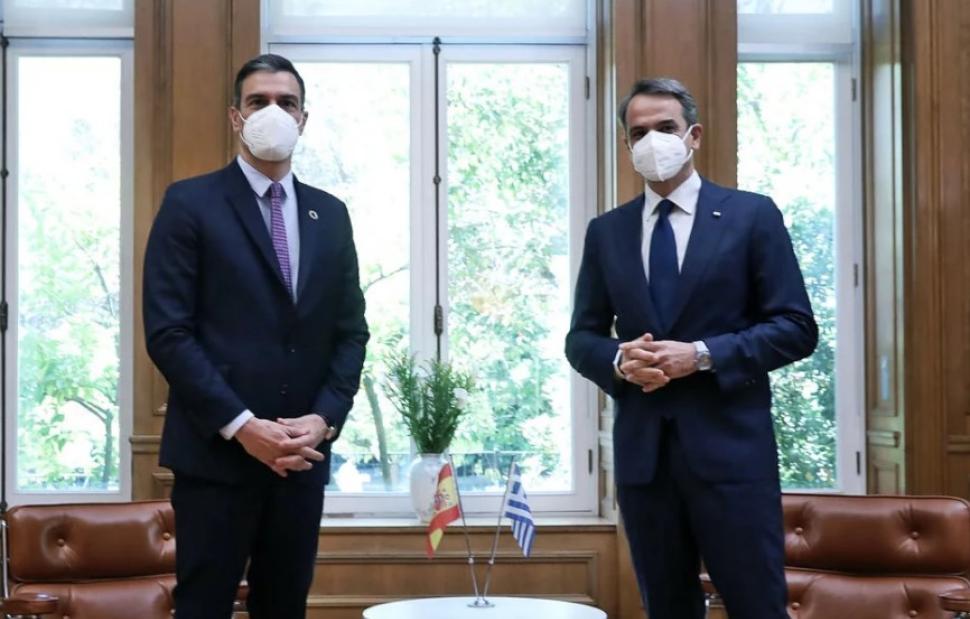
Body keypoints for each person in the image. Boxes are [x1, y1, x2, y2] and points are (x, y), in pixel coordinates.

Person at [565, 77, 817, 619]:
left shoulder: (752, 215)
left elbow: (796, 327)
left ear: (693, 135)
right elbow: (580, 338)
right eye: (639, 133)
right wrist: (619, 360)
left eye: (666, 127)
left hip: (733, 458)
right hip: (645, 462)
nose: (652, 141)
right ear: (627, 145)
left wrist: (701, 354)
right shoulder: (607, 232)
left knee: (757, 607)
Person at [143, 53, 369, 619]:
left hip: (300, 458)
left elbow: (351, 333)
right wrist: (243, 426)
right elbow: (169, 333)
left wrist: (324, 419)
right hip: (216, 459)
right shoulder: (189, 203)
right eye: (258, 101)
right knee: (203, 608)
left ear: (303, 119)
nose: (273, 112)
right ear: (235, 117)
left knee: (284, 608)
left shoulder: (330, 214)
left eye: (286, 103)